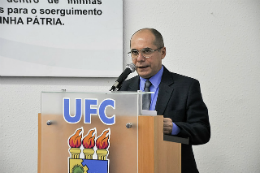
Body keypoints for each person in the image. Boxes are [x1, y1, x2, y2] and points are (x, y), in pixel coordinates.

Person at [119, 28, 210, 173]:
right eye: (135, 52)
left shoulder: (186, 86)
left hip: (173, 167)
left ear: (162, 52)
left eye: (147, 51)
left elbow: (203, 132)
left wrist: (174, 128)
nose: (139, 58)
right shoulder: (125, 86)